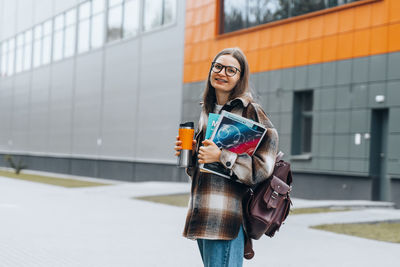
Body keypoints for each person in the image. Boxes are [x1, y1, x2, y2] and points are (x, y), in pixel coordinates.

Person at [174, 47, 278, 267]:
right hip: (203, 215)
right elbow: (204, 171)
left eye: (231, 70)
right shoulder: (208, 112)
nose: (222, 73)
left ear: (240, 77)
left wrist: (222, 155)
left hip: (226, 219)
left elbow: (264, 168)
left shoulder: (250, 112)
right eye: (218, 67)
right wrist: (193, 155)